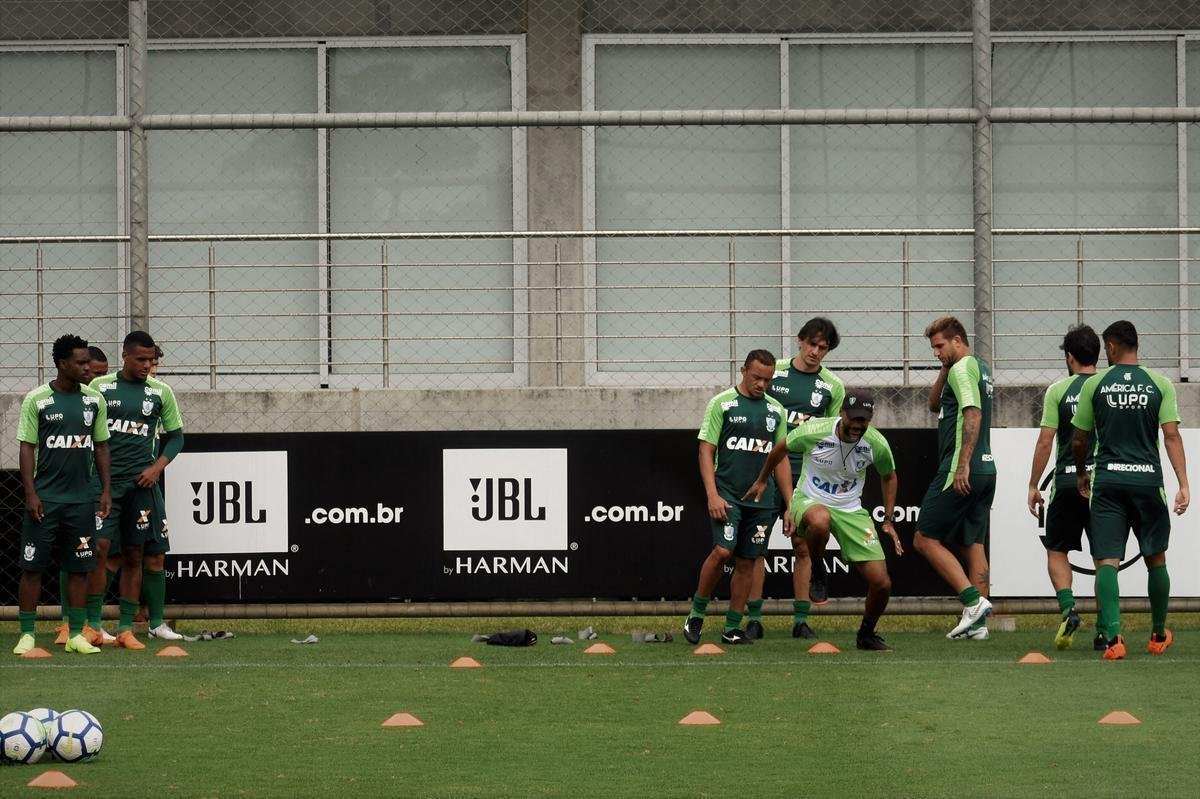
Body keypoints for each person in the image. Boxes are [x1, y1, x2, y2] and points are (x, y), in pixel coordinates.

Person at [744, 388, 902, 650]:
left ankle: (866, 633)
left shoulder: (876, 444)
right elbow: (779, 448)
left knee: (882, 583)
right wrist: (762, 480)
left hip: (851, 510)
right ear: (841, 413)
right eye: (852, 418)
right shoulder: (814, 431)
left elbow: (890, 476)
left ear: (870, 419)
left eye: (862, 420)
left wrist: (887, 519)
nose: (856, 425)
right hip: (809, 500)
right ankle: (818, 567)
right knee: (820, 520)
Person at [1071, 320, 1189, 660]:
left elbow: (1079, 438)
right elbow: (1171, 436)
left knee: (1106, 560)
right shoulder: (1160, 384)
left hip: (1107, 483)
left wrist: (1081, 473)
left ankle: (1113, 637)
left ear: (1109, 347)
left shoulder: (1095, 384)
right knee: (1156, 558)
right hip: (1147, 481)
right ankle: (1156, 634)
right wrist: (1183, 483)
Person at [745, 318, 845, 640]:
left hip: (806, 477)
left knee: (802, 546)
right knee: (755, 547)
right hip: (764, 470)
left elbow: (832, 435)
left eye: (823, 348)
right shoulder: (777, 372)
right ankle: (754, 618)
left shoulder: (833, 387)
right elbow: (753, 404)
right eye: (811, 344)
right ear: (800, 341)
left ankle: (801, 620)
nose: (815, 352)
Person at [683, 349, 792, 645]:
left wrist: (790, 503)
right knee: (722, 552)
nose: (761, 384)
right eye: (756, 377)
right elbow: (706, 450)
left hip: (762, 500)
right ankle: (696, 614)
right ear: (743, 371)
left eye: (767, 380)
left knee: (748, 560)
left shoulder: (776, 410)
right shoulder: (723, 403)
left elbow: (780, 458)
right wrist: (712, 495)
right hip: (728, 494)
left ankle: (732, 626)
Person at [12, 334, 111, 656]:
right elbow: (27, 448)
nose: (87, 368)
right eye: (81, 363)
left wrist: (104, 490)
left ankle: (76, 635)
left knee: (81, 568)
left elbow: (101, 446)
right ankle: (27, 633)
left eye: (88, 363)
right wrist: (30, 492)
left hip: (82, 501)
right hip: (46, 499)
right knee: (33, 567)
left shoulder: (93, 401)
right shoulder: (37, 400)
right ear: (62, 364)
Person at [91, 330, 185, 648]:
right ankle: (91, 623)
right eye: (142, 359)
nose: (148, 365)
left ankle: (128, 628)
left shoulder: (161, 392)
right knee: (101, 549)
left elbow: (176, 437)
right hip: (105, 486)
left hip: (141, 485)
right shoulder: (99, 387)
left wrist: (156, 468)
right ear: (126, 357)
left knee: (138, 553)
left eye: (152, 360)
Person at [911, 317, 996, 640]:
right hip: (987, 469)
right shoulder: (977, 368)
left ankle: (973, 603)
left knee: (924, 539)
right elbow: (935, 405)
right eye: (933, 347)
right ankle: (979, 624)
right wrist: (945, 367)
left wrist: (962, 465)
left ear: (957, 340)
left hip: (962, 469)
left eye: (940, 346)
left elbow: (972, 413)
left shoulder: (963, 369)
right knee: (971, 542)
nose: (935, 352)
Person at [1026, 325, 1105, 650]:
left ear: (1070, 357)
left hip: (1067, 481)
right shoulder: (1108, 386)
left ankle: (1069, 608)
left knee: (1057, 549)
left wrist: (1033, 484)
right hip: (1103, 484)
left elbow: (1046, 441)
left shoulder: (1058, 390)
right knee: (1105, 559)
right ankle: (1105, 630)